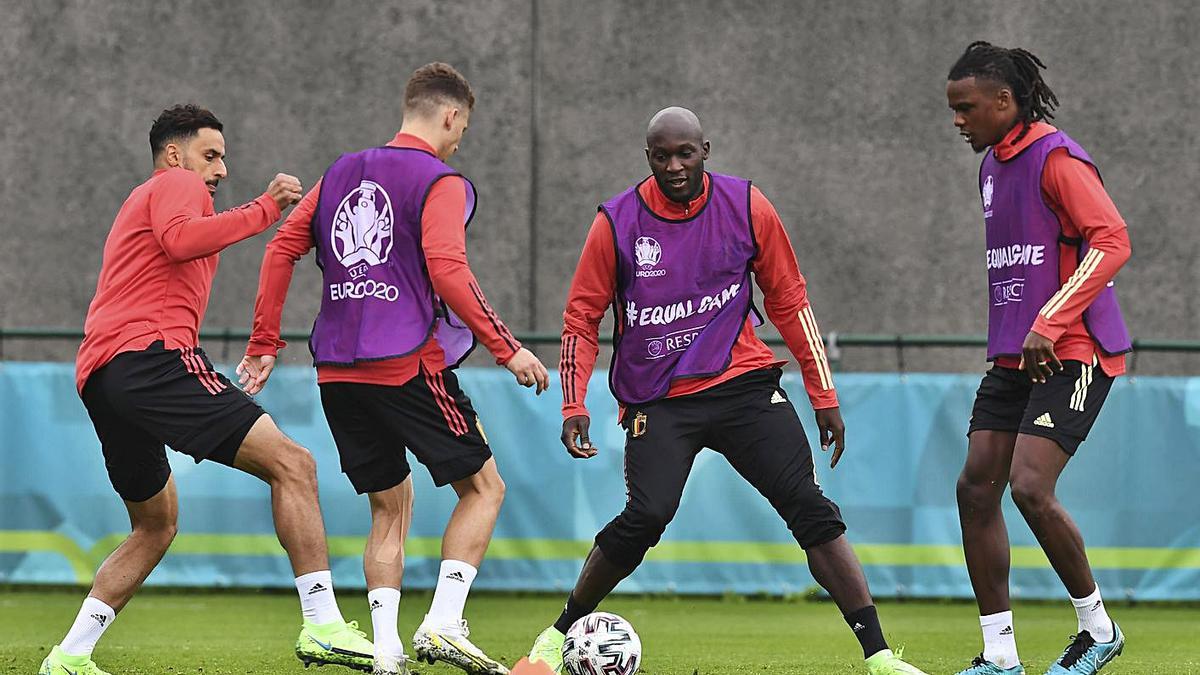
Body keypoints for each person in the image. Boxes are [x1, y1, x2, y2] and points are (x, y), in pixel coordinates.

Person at [523, 107, 928, 675]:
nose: (675, 166)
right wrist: (573, 404)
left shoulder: (746, 206)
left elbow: (790, 300)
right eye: (661, 156)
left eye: (685, 153)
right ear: (647, 158)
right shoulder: (615, 223)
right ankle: (557, 633)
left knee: (810, 508)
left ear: (705, 151)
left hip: (743, 387)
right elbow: (580, 317)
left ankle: (879, 656)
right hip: (659, 399)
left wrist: (824, 395)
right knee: (646, 516)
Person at [240, 62, 548, 675]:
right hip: (407, 366)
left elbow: (280, 248)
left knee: (390, 505)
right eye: (463, 127)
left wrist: (265, 342)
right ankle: (444, 621)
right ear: (451, 115)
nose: (461, 138)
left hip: (336, 373)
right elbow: (448, 268)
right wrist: (507, 346)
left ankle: (386, 654)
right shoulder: (441, 181)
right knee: (484, 488)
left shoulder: (339, 174)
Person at [42, 104, 373, 675]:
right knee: (294, 465)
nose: (221, 170)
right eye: (211, 155)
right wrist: (266, 208)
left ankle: (68, 655)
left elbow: (173, 248)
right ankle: (321, 622)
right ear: (175, 155)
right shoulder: (174, 183)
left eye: (223, 158)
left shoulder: (145, 198)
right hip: (151, 358)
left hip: (102, 375)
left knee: (155, 524)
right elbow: (180, 241)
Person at [946, 42, 1132, 675]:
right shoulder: (992, 165)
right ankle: (1000, 655)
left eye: (967, 108)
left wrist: (1050, 320)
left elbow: (1111, 240)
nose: (958, 121)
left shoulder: (1057, 159)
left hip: (1074, 350)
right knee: (976, 487)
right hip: (1014, 358)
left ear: (1005, 101)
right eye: (954, 109)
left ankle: (1097, 629)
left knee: (1028, 486)